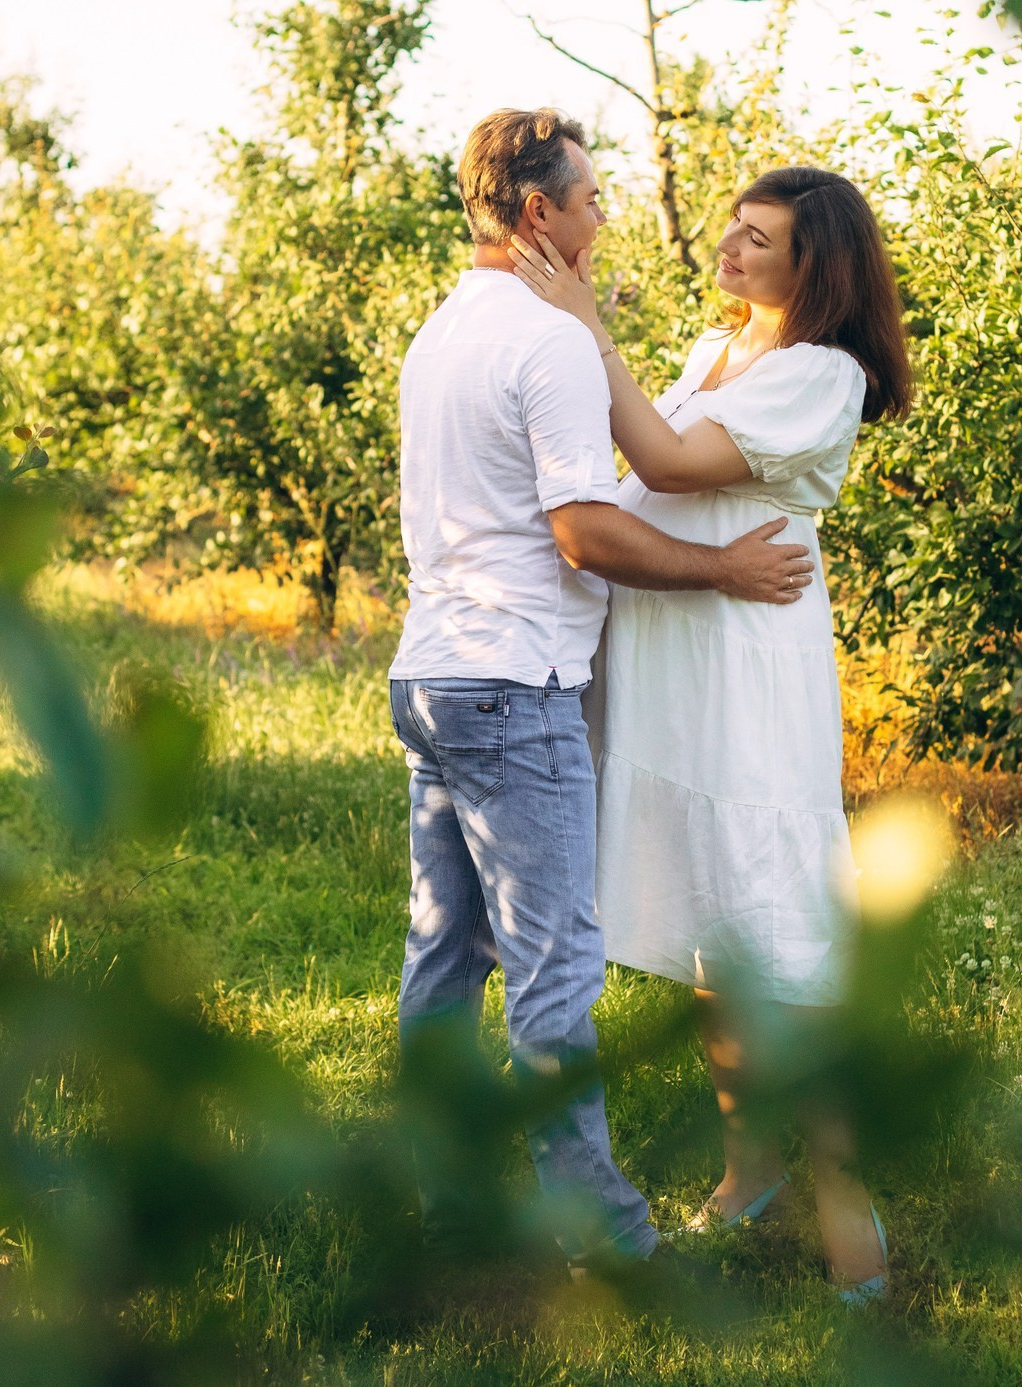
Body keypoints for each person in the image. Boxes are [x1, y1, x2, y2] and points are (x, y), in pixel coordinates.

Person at [389, 108, 817, 1271]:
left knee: (442, 958)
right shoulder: (549, 343)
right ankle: (608, 1238)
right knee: (550, 975)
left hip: (428, 671)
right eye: (588, 201)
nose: (600, 216)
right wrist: (723, 567)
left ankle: (439, 1203)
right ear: (540, 214)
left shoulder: (438, 334)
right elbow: (585, 532)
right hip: (515, 684)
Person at [508, 165, 914, 1302]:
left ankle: (851, 1224)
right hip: (679, 676)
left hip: (746, 688)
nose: (728, 251)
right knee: (713, 952)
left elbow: (669, 463)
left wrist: (588, 331)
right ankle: (750, 1174)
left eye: (758, 241)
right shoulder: (709, 351)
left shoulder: (819, 375)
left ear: (812, 270)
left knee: (781, 949)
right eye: (732, 231)